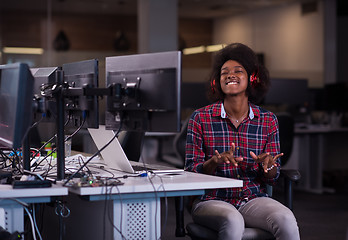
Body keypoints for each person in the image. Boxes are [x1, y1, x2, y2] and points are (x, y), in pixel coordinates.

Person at [185, 43, 300, 240]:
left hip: (252, 198)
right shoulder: (200, 118)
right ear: (217, 81)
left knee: (286, 219)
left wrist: (268, 165)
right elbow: (190, 172)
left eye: (238, 71)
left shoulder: (268, 120)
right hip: (211, 200)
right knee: (233, 221)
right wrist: (214, 162)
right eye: (224, 72)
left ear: (252, 79)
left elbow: (273, 176)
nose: (230, 75)